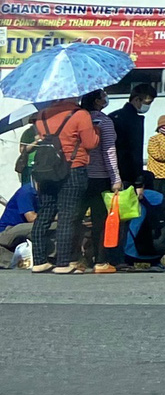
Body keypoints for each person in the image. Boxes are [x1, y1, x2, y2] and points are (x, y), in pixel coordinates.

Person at [27, 98, 95, 273]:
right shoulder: (80, 114)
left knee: (45, 213)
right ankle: (63, 263)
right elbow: (90, 143)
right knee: (67, 215)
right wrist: (97, 131)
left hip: (48, 169)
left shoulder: (41, 115)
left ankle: (40, 261)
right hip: (73, 167)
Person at [78, 90, 124, 273]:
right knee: (100, 221)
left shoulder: (77, 119)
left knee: (75, 219)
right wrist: (116, 179)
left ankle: (76, 259)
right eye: (103, 97)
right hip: (100, 178)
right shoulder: (104, 121)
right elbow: (109, 151)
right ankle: (100, 260)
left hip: (78, 176)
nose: (106, 100)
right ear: (97, 101)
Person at [108, 83, 155, 185]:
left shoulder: (112, 116)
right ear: (137, 99)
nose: (148, 106)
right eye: (147, 102)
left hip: (110, 172)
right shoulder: (134, 120)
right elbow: (136, 151)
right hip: (128, 174)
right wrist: (139, 180)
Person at [0, 181, 36, 258]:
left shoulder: (46, 195)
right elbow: (31, 218)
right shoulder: (26, 192)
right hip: (7, 231)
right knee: (42, 226)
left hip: (21, 231)